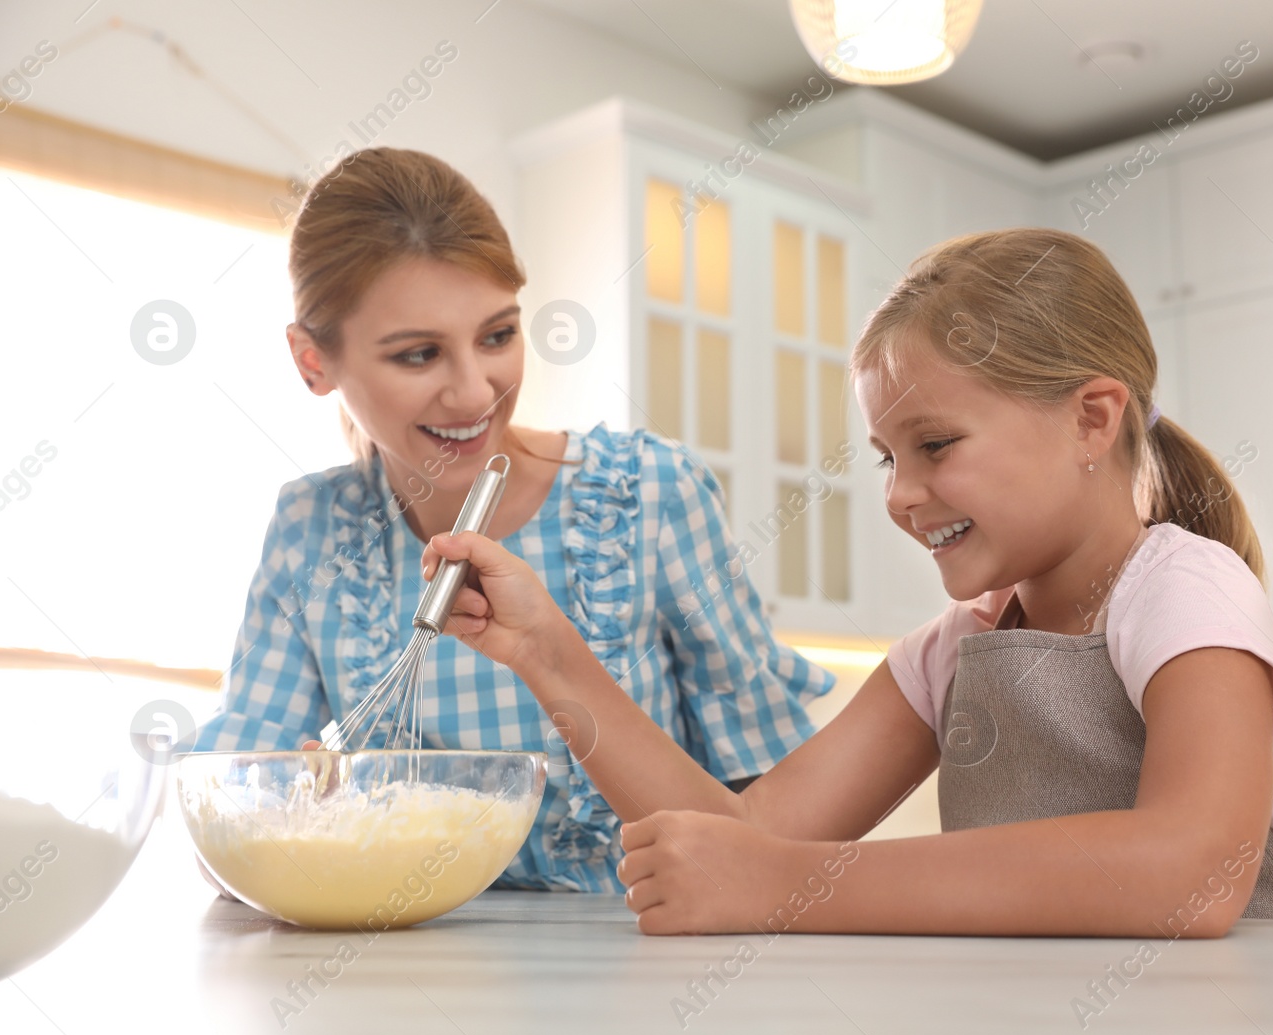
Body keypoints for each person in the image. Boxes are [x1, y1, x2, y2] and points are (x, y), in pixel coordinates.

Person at [422, 227, 1273, 935]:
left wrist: (790, 886)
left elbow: (1193, 870)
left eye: (935, 445)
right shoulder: (953, 649)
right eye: (888, 457)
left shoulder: (1185, 589)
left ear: (1092, 420)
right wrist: (546, 651)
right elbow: (755, 836)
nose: (899, 494)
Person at [191, 147, 832, 893]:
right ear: (312, 362)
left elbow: (777, 819)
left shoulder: (650, 494)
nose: (474, 392)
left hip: (653, 961)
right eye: (419, 354)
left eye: (497, 336)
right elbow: (229, 813)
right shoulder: (312, 530)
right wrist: (289, 812)